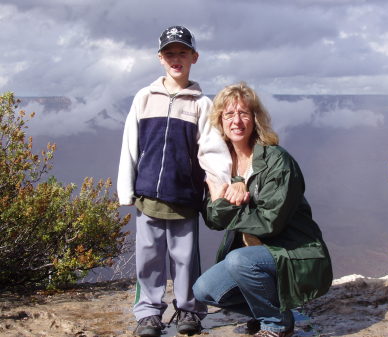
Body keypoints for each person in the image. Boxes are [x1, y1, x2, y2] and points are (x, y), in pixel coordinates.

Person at [117, 25, 238, 337]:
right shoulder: (144, 98)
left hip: (184, 196)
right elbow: (131, 146)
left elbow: (211, 150)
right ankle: (148, 313)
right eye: (170, 52)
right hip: (147, 196)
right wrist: (126, 191)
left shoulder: (201, 103)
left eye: (182, 52)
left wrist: (219, 183)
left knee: (185, 259)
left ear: (194, 57)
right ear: (160, 57)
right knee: (149, 258)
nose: (176, 58)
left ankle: (189, 311)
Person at [193, 82, 333, 337]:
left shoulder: (276, 160)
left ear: (255, 119)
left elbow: (270, 223)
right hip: (257, 257)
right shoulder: (221, 165)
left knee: (238, 260)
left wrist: (225, 200)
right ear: (220, 121)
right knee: (205, 289)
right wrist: (224, 197)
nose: (237, 121)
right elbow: (213, 220)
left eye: (244, 113)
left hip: (292, 251)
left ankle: (275, 325)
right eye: (229, 114)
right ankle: (276, 313)